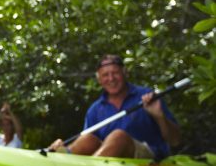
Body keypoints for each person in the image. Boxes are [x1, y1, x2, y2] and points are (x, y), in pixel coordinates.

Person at [48, 54, 180, 160]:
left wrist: (159, 116)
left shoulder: (147, 97)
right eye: (105, 75)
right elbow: (87, 144)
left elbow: (175, 141)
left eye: (115, 73)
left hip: (150, 158)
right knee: (87, 139)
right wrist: (64, 147)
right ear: (99, 80)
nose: (111, 78)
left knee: (118, 136)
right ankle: (59, 157)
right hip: (110, 159)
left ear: (124, 73)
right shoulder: (95, 109)